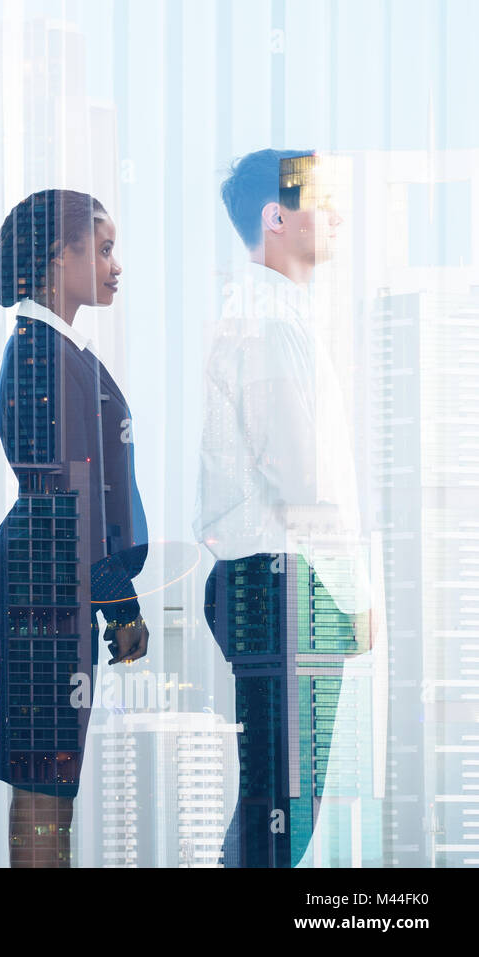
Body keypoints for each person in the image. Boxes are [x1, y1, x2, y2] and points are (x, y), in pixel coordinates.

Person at [196, 149, 372, 868]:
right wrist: (355, 593)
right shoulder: (269, 323)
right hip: (283, 584)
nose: (336, 215)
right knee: (282, 810)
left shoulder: (273, 315)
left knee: (280, 806)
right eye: (321, 201)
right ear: (277, 218)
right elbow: (304, 481)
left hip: (278, 582)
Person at [0, 189, 149, 868]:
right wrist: (119, 601)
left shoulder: (58, 348)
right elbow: (66, 493)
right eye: (103, 249)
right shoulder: (42, 353)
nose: (115, 266)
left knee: (53, 773)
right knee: (45, 776)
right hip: (46, 585)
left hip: (55, 582)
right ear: (61, 255)